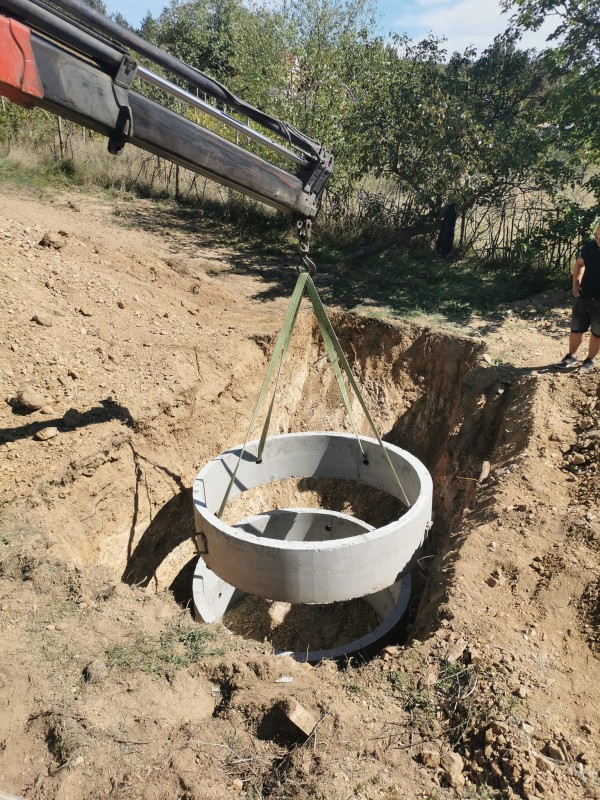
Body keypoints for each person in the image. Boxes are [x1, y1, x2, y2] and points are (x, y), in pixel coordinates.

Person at [556, 223, 600, 373]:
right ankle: (571, 357)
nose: (598, 240)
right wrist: (575, 283)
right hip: (584, 297)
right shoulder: (589, 248)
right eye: (596, 236)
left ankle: (589, 360)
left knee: (597, 333)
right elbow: (579, 263)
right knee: (576, 329)